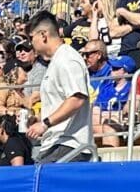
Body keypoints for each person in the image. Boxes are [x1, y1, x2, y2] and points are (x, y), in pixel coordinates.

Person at [25, 13, 93, 162]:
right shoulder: (56, 61)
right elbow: (61, 101)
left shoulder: (67, 58)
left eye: (31, 38)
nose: (31, 44)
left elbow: (77, 99)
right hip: (55, 144)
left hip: (68, 145)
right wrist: (39, 119)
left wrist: (45, 123)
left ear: (43, 35)